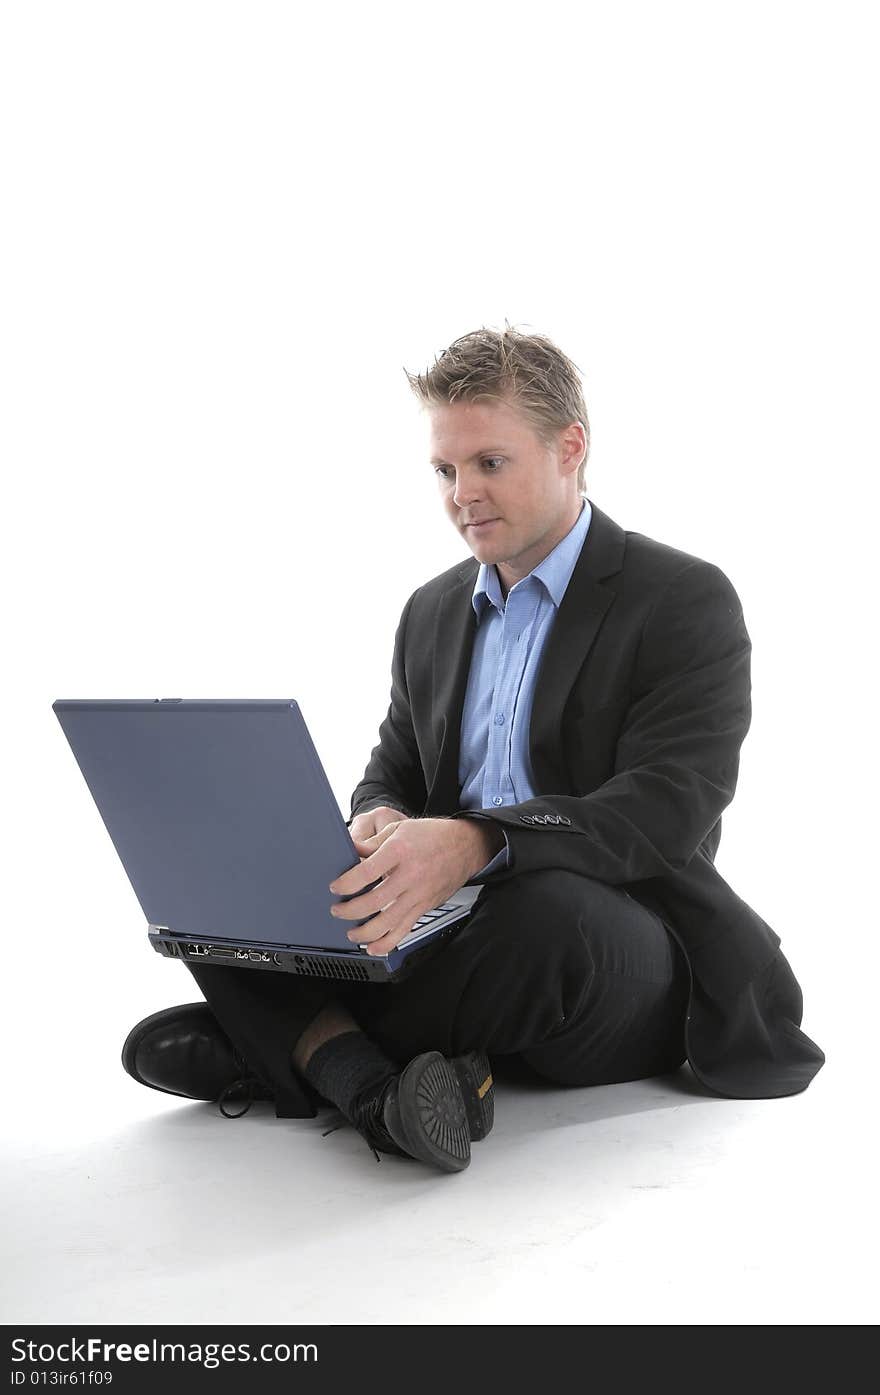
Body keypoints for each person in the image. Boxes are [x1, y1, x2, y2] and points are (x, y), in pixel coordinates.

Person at [122, 325, 825, 1173]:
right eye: (445, 470)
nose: (464, 494)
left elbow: (666, 810)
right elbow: (395, 767)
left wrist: (480, 842)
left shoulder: (681, 599)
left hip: (618, 943)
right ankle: (388, 1090)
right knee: (228, 887)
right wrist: (378, 820)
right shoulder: (431, 611)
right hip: (451, 936)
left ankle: (298, 1044)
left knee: (548, 910)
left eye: (490, 463)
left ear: (571, 448)